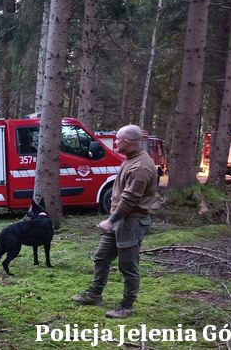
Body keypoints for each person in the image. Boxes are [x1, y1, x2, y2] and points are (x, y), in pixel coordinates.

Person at [71, 124, 159, 319]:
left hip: (131, 223)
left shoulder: (141, 167)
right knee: (102, 257)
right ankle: (95, 294)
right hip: (119, 220)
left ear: (127, 142)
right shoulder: (130, 159)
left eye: (118, 139)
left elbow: (130, 199)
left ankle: (126, 306)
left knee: (128, 266)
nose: (115, 142)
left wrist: (111, 220)